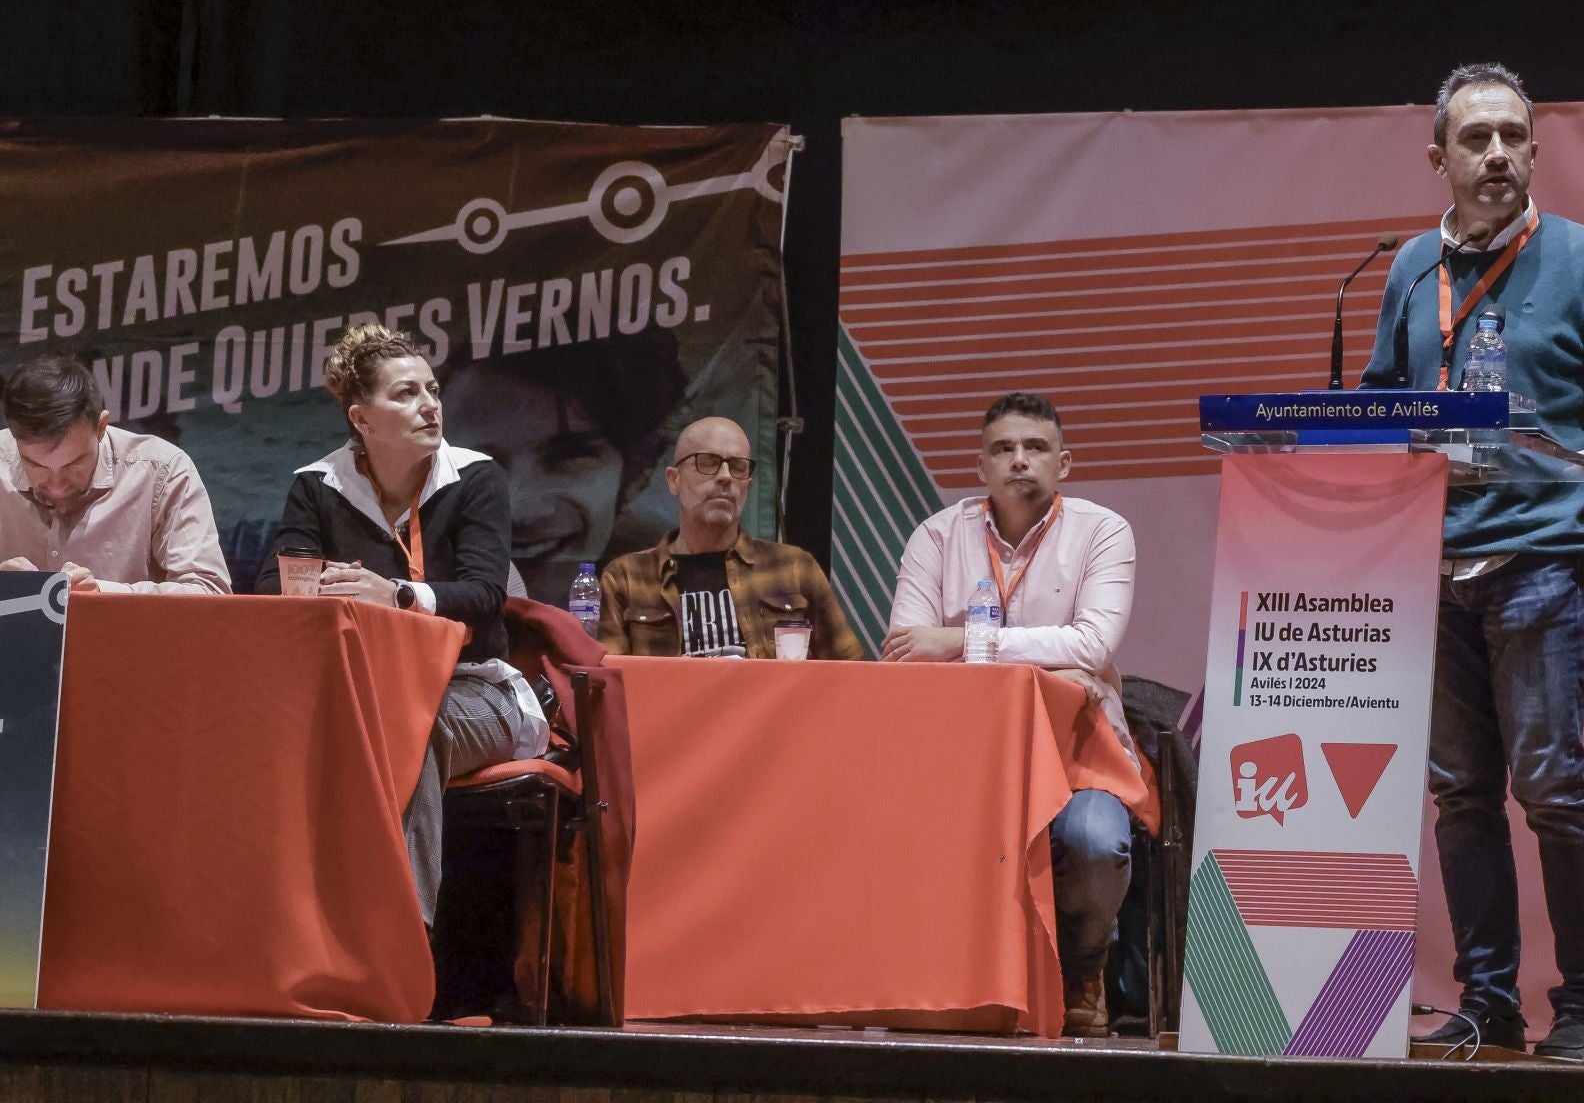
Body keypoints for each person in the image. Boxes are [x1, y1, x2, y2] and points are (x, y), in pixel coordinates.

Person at [1360, 63, 1584, 1063]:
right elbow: (1385, 400)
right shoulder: (1410, 269)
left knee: (1549, 783)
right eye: (1477, 138)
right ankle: (1489, 1001)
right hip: (1434, 567)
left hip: (1540, 559)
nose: (1498, 153)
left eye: (1514, 136)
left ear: (1535, 151)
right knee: (1461, 790)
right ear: (1440, 157)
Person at [257, 324, 548, 924]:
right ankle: (290, 927)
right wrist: (327, 591)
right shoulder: (318, 486)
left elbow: (485, 595)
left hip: (473, 689)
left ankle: (399, 938)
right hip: (359, 689)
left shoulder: (475, 478)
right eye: (406, 394)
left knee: (414, 727)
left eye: (432, 390)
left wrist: (394, 596)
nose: (430, 405)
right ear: (361, 420)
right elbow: (274, 589)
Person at [883, 392, 1137, 1037]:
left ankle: (1084, 966)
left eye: (1035, 448)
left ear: (1065, 462)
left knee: (1094, 842)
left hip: (1079, 748)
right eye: (1003, 449)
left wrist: (960, 642)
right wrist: (1027, 651)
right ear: (981, 466)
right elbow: (907, 651)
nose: (1019, 461)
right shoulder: (937, 536)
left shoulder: (1102, 531)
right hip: (959, 752)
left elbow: (1093, 644)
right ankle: (939, 974)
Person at [437, 335, 684, 604]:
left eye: (567, 457)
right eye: (478, 460)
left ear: (634, 474)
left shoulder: (673, 589)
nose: (518, 508)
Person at [597, 415, 864, 660]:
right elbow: (609, 684)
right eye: (708, 463)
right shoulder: (627, 578)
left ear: (748, 485)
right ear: (673, 480)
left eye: (738, 466)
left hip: (772, 713)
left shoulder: (794, 568)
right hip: (672, 712)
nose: (725, 477)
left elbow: (850, 671)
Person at [0, 354, 229, 593]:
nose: (57, 486)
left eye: (73, 464)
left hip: (128, 631)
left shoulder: (162, 471)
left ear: (101, 427)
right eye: (36, 465)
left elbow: (209, 592)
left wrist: (105, 595)